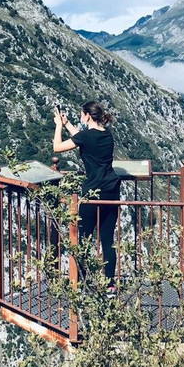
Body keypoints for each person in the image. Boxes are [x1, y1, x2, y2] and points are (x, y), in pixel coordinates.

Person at [53, 101, 121, 288]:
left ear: (88, 116)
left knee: (83, 238)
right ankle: (110, 284)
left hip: (93, 192)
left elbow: (57, 147)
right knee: (107, 239)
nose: (81, 118)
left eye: (82, 115)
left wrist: (59, 125)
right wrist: (68, 124)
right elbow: (84, 139)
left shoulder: (87, 136)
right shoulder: (107, 134)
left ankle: (81, 282)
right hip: (112, 189)